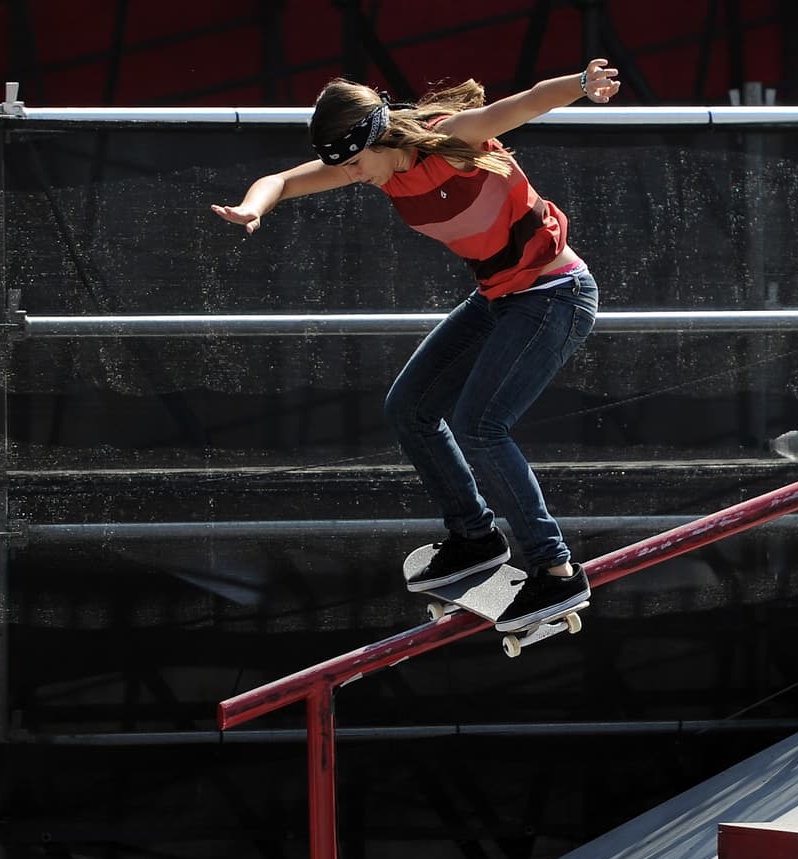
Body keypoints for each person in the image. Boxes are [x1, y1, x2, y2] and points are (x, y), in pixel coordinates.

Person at [212, 60, 620, 632]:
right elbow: (282, 181)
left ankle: (555, 573)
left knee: (481, 425)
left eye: (358, 165)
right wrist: (252, 210)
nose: (357, 177)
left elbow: (523, 103)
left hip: (554, 293)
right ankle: (475, 536)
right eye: (346, 169)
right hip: (499, 298)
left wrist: (581, 86)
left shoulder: (450, 137)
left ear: (380, 139)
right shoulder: (365, 165)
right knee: (410, 408)